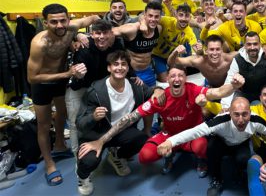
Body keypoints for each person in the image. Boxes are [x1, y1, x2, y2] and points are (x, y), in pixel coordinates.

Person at [77, 64, 245, 179]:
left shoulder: (195, 90)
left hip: (192, 135)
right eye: (173, 76)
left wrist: (234, 85)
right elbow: (130, 118)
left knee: (202, 148)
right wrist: (101, 141)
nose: (177, 79)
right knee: (145, 156)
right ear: (168, 80)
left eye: (180, 75)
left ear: (185, 78)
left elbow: (219, 92)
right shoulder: (161, 98)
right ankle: (169, 156)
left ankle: (200, 160)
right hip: (170, 136)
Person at [157, 96, 266, 196]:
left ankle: (239, 172)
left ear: (250, 112)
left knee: (245, 158)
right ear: (230, 114)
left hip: (241, 144)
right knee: (211, 148)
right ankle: (217, 179)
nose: (241, 120)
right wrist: (170, 142)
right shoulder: (220, 121)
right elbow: (194, 132)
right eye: (236, 115)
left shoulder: (256, 121)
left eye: (245, 114)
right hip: (222, 142)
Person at [27, 3, 99, 186]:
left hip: (60, 82)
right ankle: (49, 163)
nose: (59, 25)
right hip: (42, 84)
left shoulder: (71, 28)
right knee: (43, 124)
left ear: (68, 19)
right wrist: (67, 74)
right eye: (54, 22)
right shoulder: (39, 43)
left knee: (61, 115)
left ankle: (60, 145)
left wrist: (81, 34)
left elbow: (95, 18)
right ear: (45, 23)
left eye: (63, 20)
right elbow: (32, 77)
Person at [76, 51, 164, 195]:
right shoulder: (96, 91)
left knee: (142, 139)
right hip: (96, 134)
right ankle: (82, 177)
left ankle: (116, 155)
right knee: (89, 161)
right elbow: (79, 122)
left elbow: (150, 91)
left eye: (124, 64)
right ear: (109, 68)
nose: (120, 68)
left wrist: (158, 89)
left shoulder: (135, 86)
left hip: (119, 131)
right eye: (115, 64)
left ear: (128, 68)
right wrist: (93, 117)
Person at [66, 19, 125, 155]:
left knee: (110, 119)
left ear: (111, 34)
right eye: (98, 33)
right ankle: (79, 159)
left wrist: (133, 76)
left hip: (102, 88)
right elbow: (76, 78)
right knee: (76, 124)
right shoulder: (83, 47)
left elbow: (123, 63)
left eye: (105, 33)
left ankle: (114, 153)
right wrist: (79, 75)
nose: (102, 37)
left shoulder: (117, 45)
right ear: (92, 34)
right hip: (80, 87)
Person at [221, 31, 266, 108]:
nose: (252, 47)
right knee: (235, 107)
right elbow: (229, 83)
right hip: (244, 94)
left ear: (260, 44)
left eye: (255, 44)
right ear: (244, 46)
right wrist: (225, 107)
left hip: (265, 95)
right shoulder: (238, 59)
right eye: (249, 44)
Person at [112, 2, 162, 86]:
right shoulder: (132, 29)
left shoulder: (159, 29)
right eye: (150, 16)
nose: (153, 19)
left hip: (148, 71)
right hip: (132, 73)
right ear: (145, 15)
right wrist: (81, 35)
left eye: (156, 16)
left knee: (153, 96)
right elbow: (109, 31)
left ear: (160, 17)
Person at [152, 4, 198, 82]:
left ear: (190, 17)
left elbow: (196, 47)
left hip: (172, 57)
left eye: (186, 16)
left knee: (180, 75)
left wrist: (200, 50)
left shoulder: (189, 32)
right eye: (181, 15)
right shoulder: (166, 20)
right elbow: (149, 19)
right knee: (165, 80)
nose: (183, 19)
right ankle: (155, 71)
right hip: (157, 55)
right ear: (176, 15)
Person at [168, 35, 236, 88]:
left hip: (227, 86)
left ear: (222, 50)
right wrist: (175, 52)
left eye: (217, 49)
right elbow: (171, 63)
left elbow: (244, 52)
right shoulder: (200, 61)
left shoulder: (229, 58)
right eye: (212, 49)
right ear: (206, 50)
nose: (215, 53)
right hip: (209, 86)